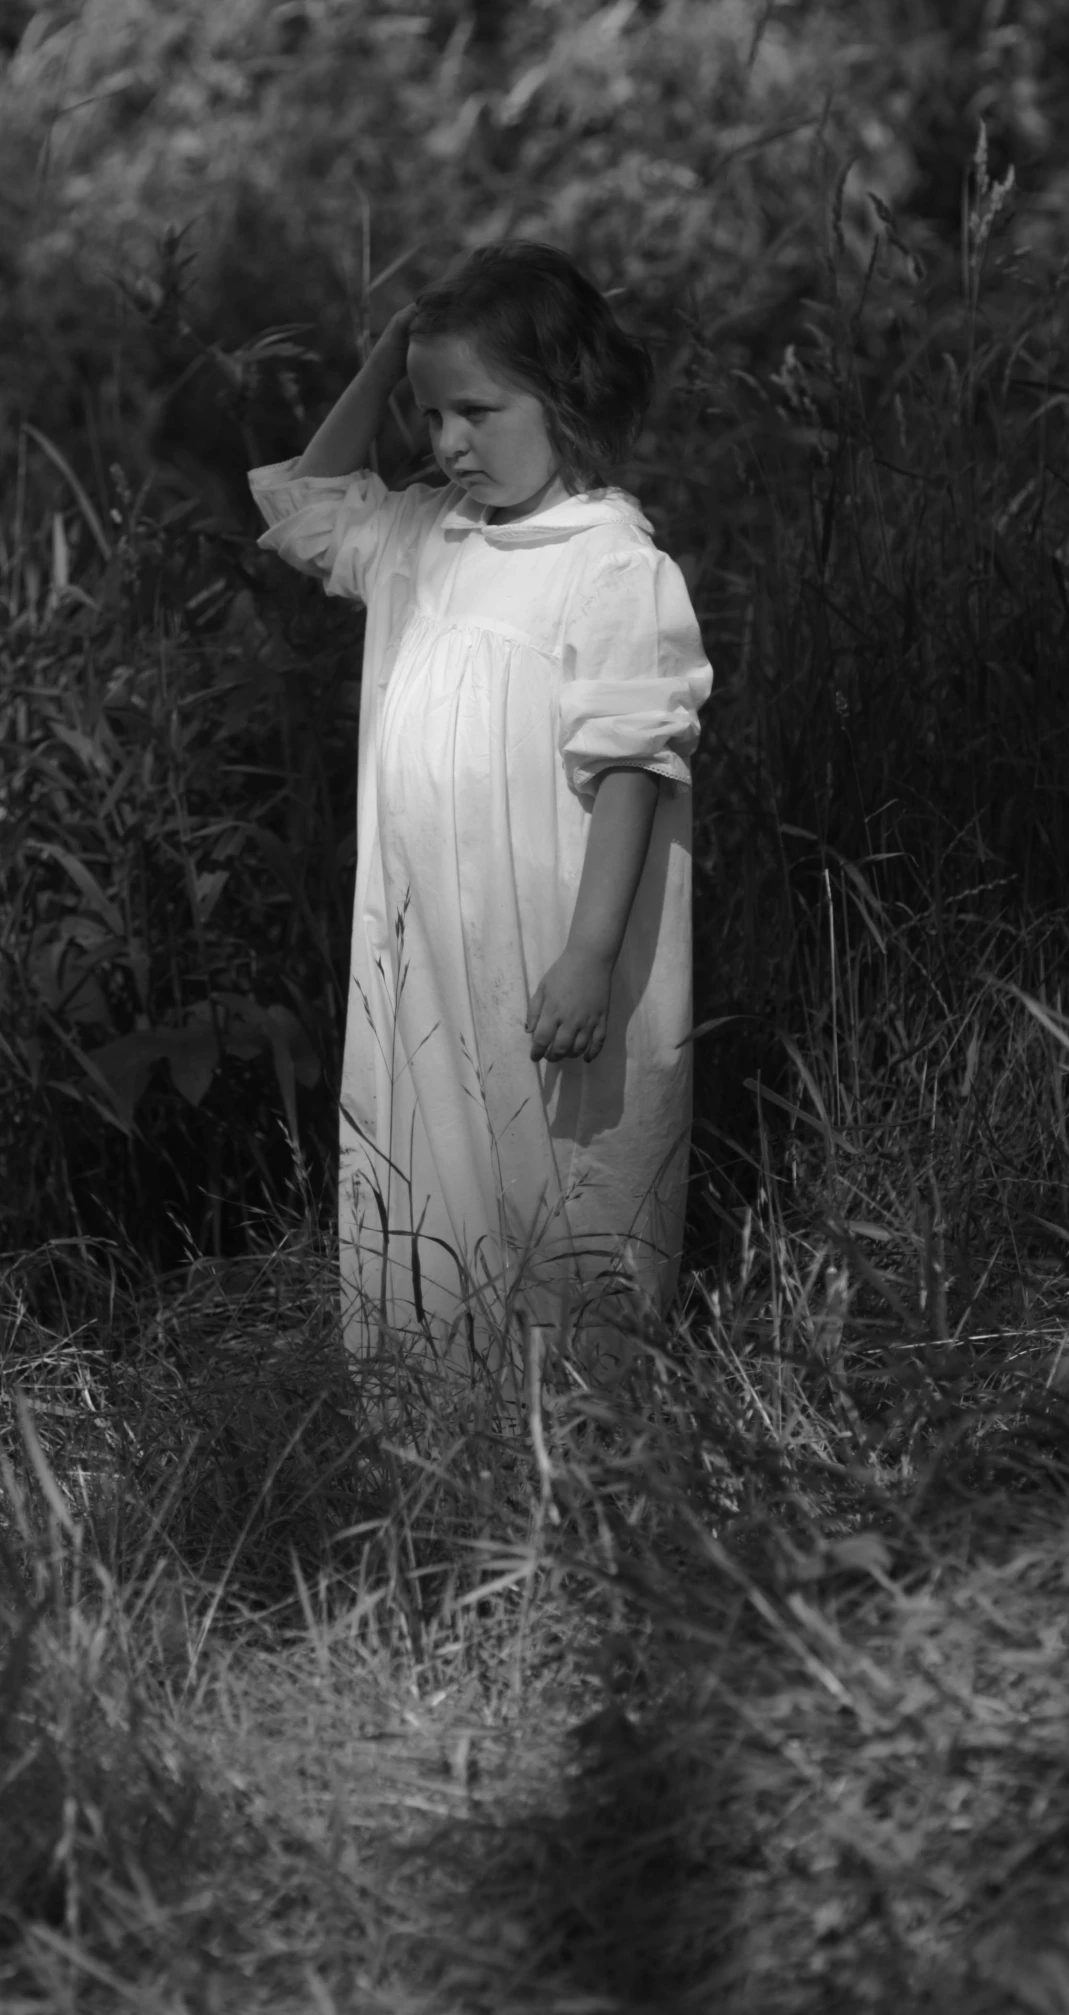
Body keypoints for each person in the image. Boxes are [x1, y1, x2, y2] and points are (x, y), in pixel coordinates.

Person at [249, 243, 711, 1380]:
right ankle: (443, 1425)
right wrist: (386, 353)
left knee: (559, 1174)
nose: (447, 443)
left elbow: (632, 771)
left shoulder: (608, 565)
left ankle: (579, 1444)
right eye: (429, 414)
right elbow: (309, 500)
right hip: (426, 946)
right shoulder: (420, 540)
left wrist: (592, 954)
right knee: (437, 1169)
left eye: (477, 411)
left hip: (549, 943)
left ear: (564, 398)